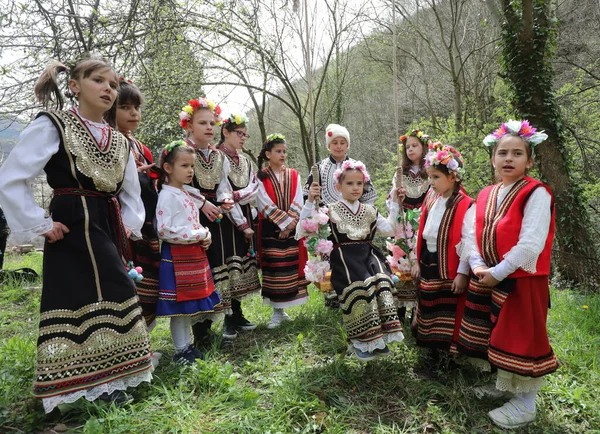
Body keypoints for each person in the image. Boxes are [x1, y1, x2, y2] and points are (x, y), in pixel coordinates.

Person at [0, 56, 153, 412]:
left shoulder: (118, 141)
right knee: (76, 297)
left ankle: (112, 378)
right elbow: (12, 177)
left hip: (106, 222)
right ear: (74, 86)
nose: (108, 89)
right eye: (98, 81)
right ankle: (85, 383)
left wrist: (128, 226)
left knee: (115, 290)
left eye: (113, 85)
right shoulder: (53, 125)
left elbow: (131, 192)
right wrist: (39, 222)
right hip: (71, 223)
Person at [457, 120, 558, 429]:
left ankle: (526, 404)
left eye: (517, 153)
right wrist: (477, 266)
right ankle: (504, 386)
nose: (508, 159)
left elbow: (531, 243)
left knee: (521, 338)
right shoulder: (487, 194)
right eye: (502, 153)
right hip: (490, 275)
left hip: (521, 279)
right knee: (497, 334)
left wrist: (499, 272)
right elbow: (472, 234)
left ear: (529, 160)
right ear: (493, 159)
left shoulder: (536, 193)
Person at [298, 160, 404, 362]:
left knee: (381, 281)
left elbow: (390, 229)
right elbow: (302, 230)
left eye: (359, 183)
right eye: (349, 184)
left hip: (369, 256)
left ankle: (377, 338)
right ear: (338, 187)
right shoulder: (328, 209)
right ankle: (361, 341)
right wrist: (311, 202)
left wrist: (396, 204)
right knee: (360, 286)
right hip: (344, 259)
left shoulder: (370, 210)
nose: (355, 188)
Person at [178, 99, 251, 342]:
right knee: (201, 270)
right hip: (191, 215)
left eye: (212, 123)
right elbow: (175, 185)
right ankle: (201, 332)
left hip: (216, 217)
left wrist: (226, 200)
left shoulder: (219, 156)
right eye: (202, 123)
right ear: (189, 125)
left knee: (221, 266)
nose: (209, 127)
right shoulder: (181, 150)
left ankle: (224, 317)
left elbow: (222, 185)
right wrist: (203, 203)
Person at [155, 141, 224, 364]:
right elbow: (164, 229)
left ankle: (186, 347)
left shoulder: (184, 193)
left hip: (192, 256)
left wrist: (206, 235)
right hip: (177, 258)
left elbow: (195, 223)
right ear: (168, 168)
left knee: (187, 306)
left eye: (192, 166)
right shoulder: (167, 196)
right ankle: (180, 350)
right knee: (179, 307)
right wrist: (199, 235)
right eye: (184, 165)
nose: (190, 170)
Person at [302, 124, 376, 308]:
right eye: (334, 142)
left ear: (348, 145)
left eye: (343, 142)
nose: (339, 146)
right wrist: (313, 196)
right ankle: (332, 296)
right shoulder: (318, 168)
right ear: (328, 145)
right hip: (329, 221)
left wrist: (364, 216)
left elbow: (369, 196)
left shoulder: (357, 167)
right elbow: (307, 195)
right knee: (329, 256)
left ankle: (357, 290)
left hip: (355, 219)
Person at [106, 79, 160, 328]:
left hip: (145, 225)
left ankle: (143, 338)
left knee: (146, 282)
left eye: (136, 107)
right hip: (116, 225)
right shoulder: (106, 141)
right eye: (125, 107)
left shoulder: (142, 148)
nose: (134, 113)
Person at [411, 143, 473, 358]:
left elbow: (468, 242)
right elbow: (422, 231)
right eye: (430, 177)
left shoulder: (465, 204)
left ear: (453, 176)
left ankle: (447, 352)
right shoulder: (431, 199)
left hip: (448, 264)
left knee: (445, 307)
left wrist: (462, 272)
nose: (431, 182)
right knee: (428, 302)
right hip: (428, 258)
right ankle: (430, 348)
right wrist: (417, 261)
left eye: (436, 177)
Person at [216, 113, 262, 337]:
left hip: (244, 212)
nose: (243, 138)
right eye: (239, 133)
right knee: (228, 265)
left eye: (246, 134)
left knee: (242, 264)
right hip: (225, 219)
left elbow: (255, 186)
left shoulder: (244, 160)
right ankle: (228, 319)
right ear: (225, 132)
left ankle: (238, 314)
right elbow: (223, 192)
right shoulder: (218, 156)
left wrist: (238, 195)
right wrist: (242, 223)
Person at [256, 134, 307, 328]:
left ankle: (285, 310)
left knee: (290, 266)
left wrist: (291, 224)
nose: (282, 154)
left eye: (284, 151)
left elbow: (298, 199)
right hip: (271, 228)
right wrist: (282, 223)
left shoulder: (294, 174)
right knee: (275, 270)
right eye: (278, 151)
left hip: (291, 228)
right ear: (268, 154)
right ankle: (277, 312)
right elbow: (263, 202)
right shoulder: (260, 176)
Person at [387, 129, 432, 317]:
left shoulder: (430, 171)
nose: (411, 150)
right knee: (401, 260)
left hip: (423, 222)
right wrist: (397, 197)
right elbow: (391, 200)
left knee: (420, 260)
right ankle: (398, 309)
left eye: (415, 146)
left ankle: (417, 310)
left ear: (424, 148)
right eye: (407, 147)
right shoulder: (400, 173)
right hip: (403, 222)